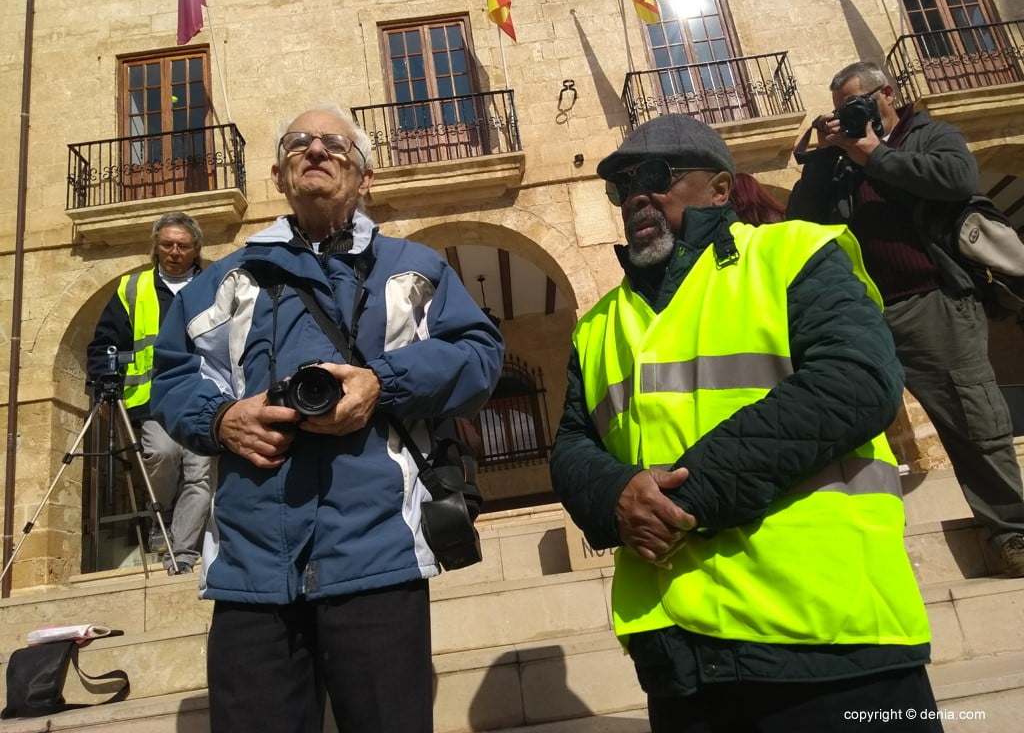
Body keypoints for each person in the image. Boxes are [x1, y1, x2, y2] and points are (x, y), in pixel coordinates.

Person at [551, 113, 941, 731]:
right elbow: (572, 443)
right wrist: (615, 495)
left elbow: (858, 380)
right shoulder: (597, 325)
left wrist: (688, 495)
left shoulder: (792, 253)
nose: (636, 195)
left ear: (721, 190)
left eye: (656, 174)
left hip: (828, 641)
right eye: (621, 185)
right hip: (680, 664)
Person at [150, 103, 503, 733]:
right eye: (299, 144)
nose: (316, 150)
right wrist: (221, 417)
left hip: (378, 558)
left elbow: (480, 355)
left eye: (335, 144)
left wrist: (381, 384)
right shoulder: (230, 278)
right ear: (279, 176)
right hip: (252, 570)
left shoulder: (415, 270)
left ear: (364, 177)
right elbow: (173, 374)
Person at [788, 60, 1024, 576]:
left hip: (933, 302)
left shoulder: (929, 134)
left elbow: (956, 178)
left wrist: (877, 154)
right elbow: (802, 221)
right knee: (846, 427)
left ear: (887, 94)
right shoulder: (841, 160)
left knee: (972, 421)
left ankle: (1012, 533)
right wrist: (824, 159)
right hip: (867, 315)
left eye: (855, 104)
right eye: (839, 111)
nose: (848, 117)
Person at [87, 212, 211, 575]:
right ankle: (164, 515)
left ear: (196, 249)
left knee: (200, 473)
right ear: (156, 247)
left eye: (182, 245)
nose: (174, 251)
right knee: (161, 454)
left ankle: (183, 550)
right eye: (167, 244)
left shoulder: (213, 284)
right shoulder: (131, 288)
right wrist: (104, 387)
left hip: (204, 393)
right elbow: (104, 343)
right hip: (154, 396)